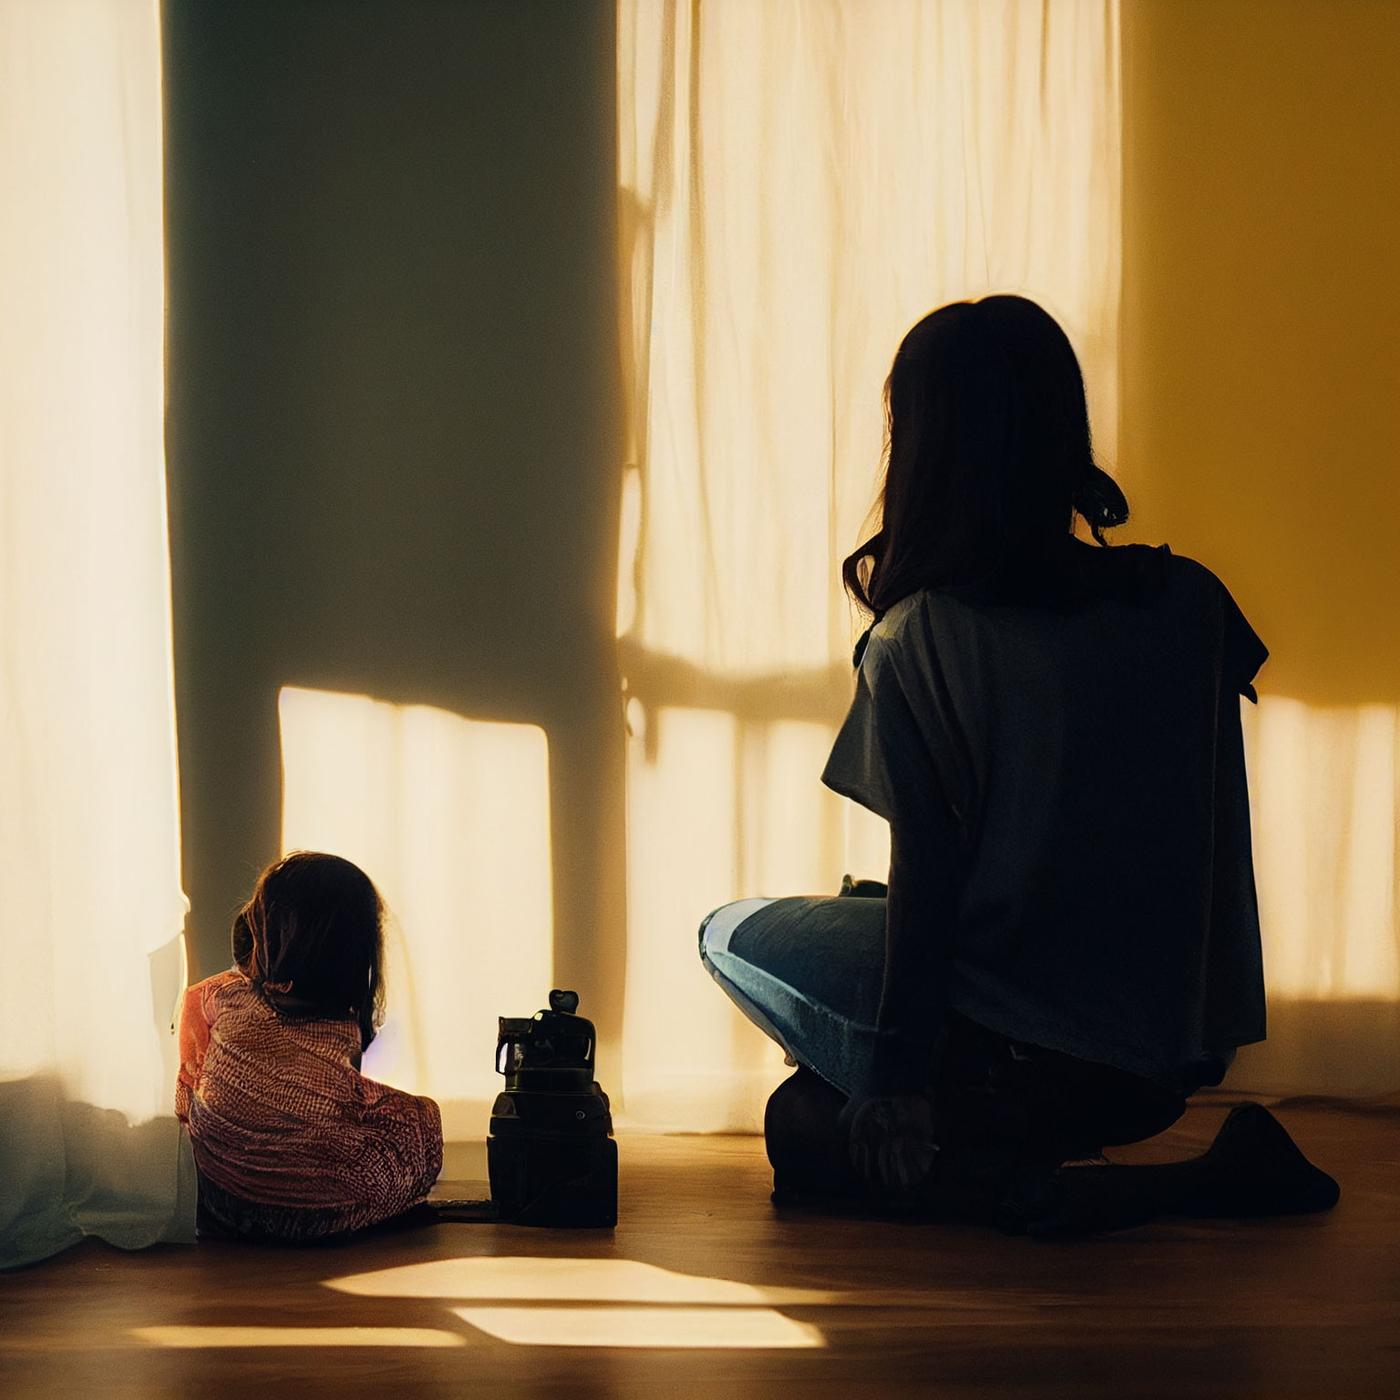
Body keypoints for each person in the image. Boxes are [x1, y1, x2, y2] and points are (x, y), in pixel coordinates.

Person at [699, 294, 1339, 1236]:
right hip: (1162, 1060)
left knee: (742, 969)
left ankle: (1163, 1187)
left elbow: (929, 879)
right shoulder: (1191, 603)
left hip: (1019, 1055)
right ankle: (1063, 1163)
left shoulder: (919, 640)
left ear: (922, 454)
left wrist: (894, 1083)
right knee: (853, 991)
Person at [176, 851, 443, 1242]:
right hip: (320, 1210)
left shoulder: (215, 995)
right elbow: (340, 1105)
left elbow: (187, 1088)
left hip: (220, 1195)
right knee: (421, 1119)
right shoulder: (342, 1024)